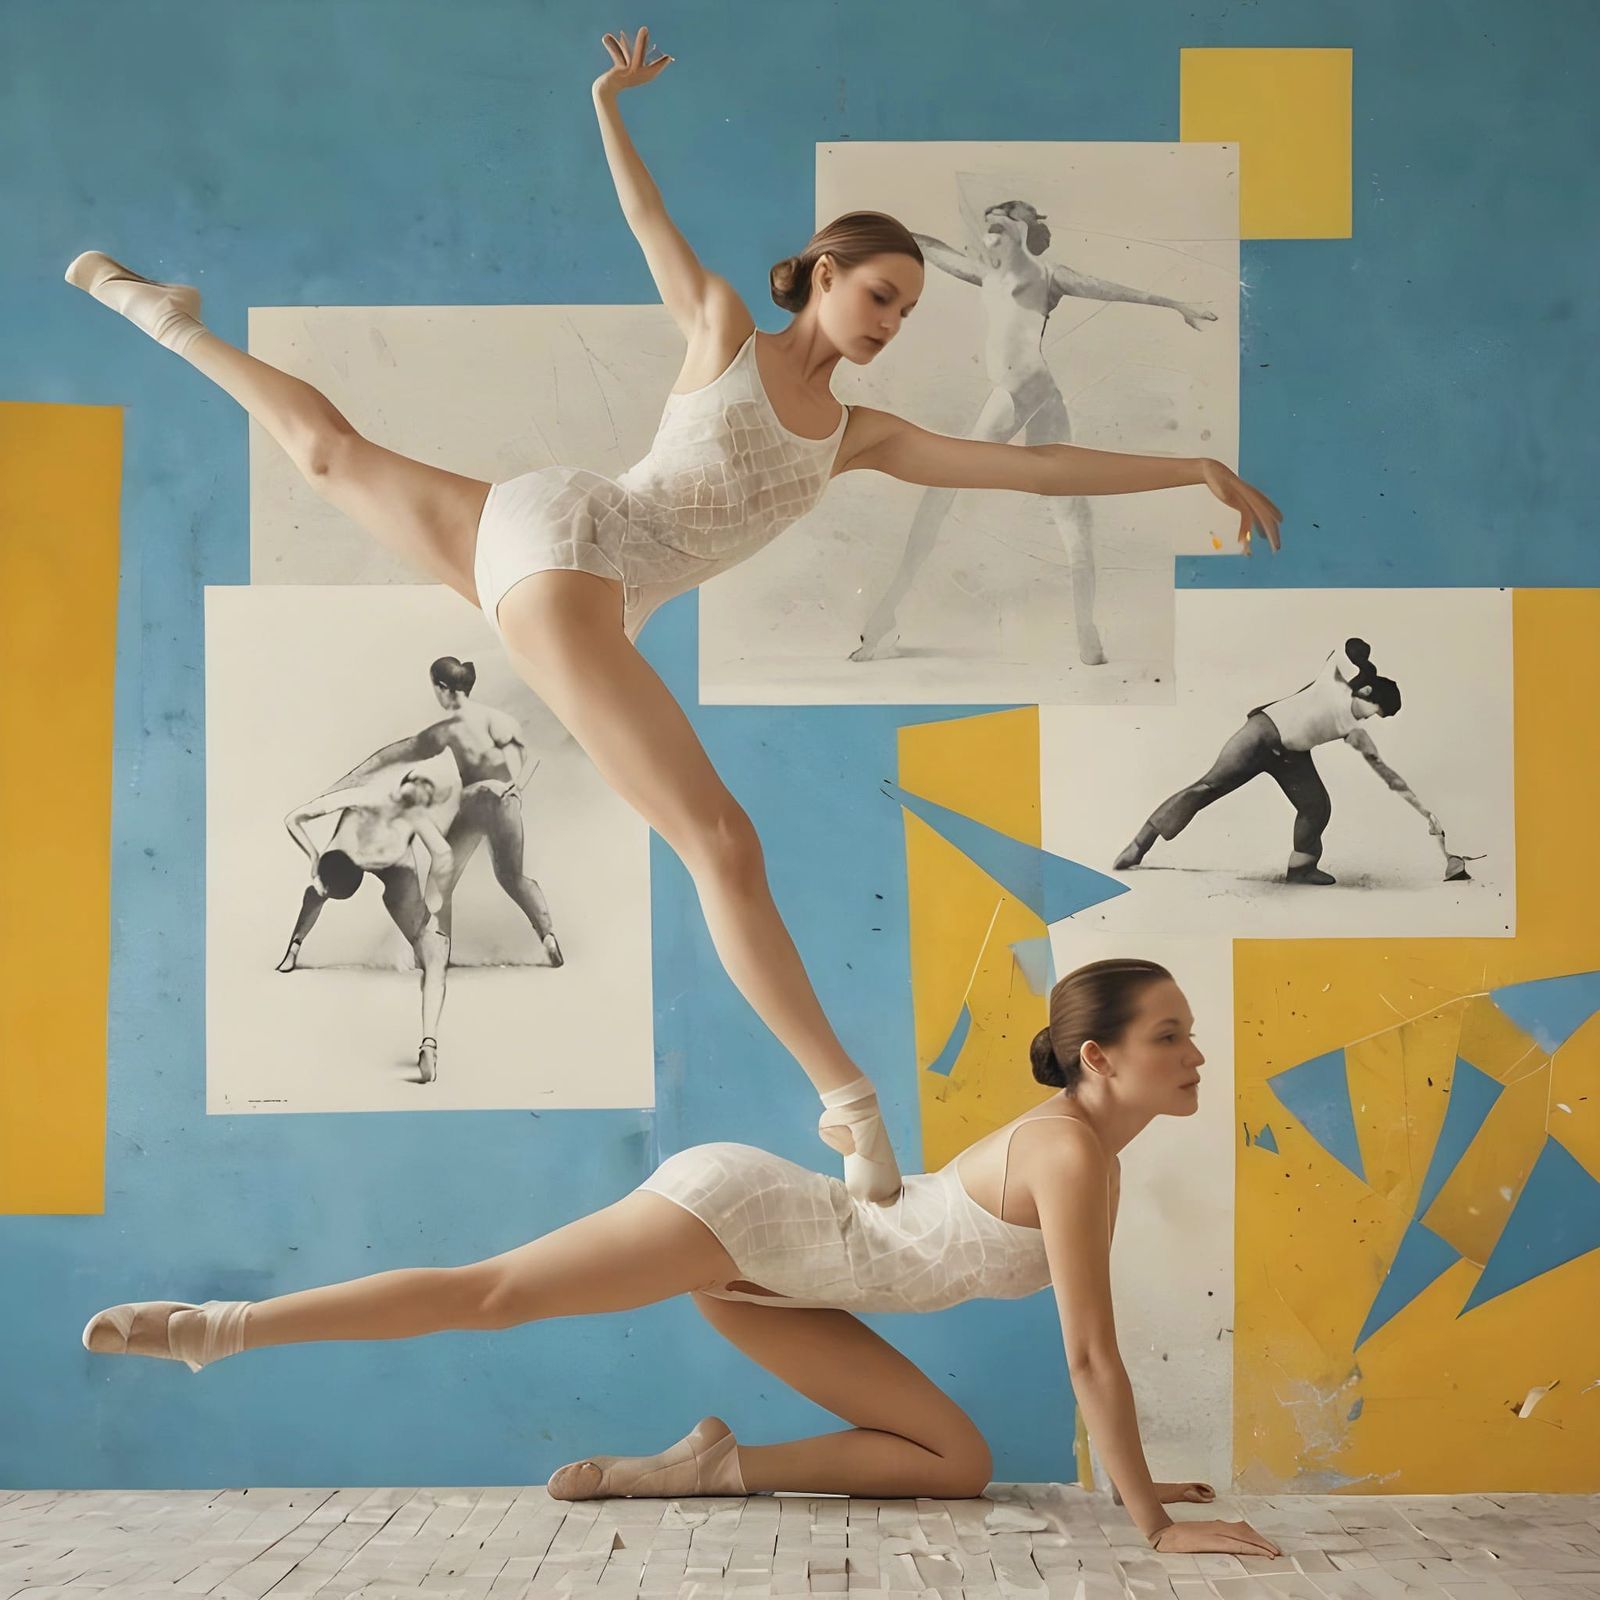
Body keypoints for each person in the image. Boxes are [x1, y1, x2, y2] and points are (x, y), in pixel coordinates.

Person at [64, 27, 1281, 1204]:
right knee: (721, 842)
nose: (891, 321)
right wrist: (605, 106)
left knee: (329, 456)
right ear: (820, 272)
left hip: (559, 560)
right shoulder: (723, 332)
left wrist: (1189, 469)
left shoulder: (862, 437)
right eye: (879, 293)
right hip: (575, 550)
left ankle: (151, 309)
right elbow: (648, 220)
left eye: (909, 310)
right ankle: (850, 1104)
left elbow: (1033, 467)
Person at [81, 958, 1281, 1559]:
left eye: (1189, 1032)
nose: (1195, 1053)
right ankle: (217, 1327)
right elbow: (1088, 1355)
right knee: (495, 1293)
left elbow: (1068, 1340)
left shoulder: (1087, 1150)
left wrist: (1136, 1484)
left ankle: (700, 1468)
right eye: (1169, 1034)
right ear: (1097, 1059)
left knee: (954, 1464)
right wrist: (1149, 1521)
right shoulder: (1069, 1153)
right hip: (758, 1220)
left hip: (790, 1284)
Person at [852, 194, 1218, 667]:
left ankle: (1084, 631)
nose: (993, 231)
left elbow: (1113, 289)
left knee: (1041, 506)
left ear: (1023, 232)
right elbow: (930, 247)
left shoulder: (1048, 277)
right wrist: (882, 229)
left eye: (1004, 224)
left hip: (1023, 393)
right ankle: (888, 616)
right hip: (1038, 395)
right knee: (1044, 506)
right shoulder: (985, 275)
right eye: (989, 224)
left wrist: (1175, 303)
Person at [276, 656, 564, 975]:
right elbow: (528, 753)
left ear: (442, 688)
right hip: (499, 803)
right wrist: (515, 786)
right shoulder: (495, 720)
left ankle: (437, 955)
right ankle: (547, 936)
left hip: (469, 806)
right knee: (511, 877)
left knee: (439, 889)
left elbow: (390, 757)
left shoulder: (443, 733)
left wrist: (341, 788)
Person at [1113, 639, 1449, 885]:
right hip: (1261, 736)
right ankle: (1138, 845)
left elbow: (1381, 766)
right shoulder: (1335, 690)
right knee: (1208, 787)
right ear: (1366, 694)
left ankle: (1301, 869)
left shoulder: (1346, 711)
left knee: (1316, 806)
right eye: (1375, 712)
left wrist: (1423, 810)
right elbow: (1345, 648)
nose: (1369, 719)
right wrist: (1365, 663)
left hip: (1292, 754)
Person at [280, 754, 458, 1082]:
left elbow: (444, 854)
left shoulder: (411, 814)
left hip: (395, 867)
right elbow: (293, 819)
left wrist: (434, 900)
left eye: (427, 792)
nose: (421, 793)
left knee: (434, 951)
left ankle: (429, 1044)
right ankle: (295, 944)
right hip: (350, 862)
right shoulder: (361, 798)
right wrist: (314, 857)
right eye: (419, 784)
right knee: (318, 890)